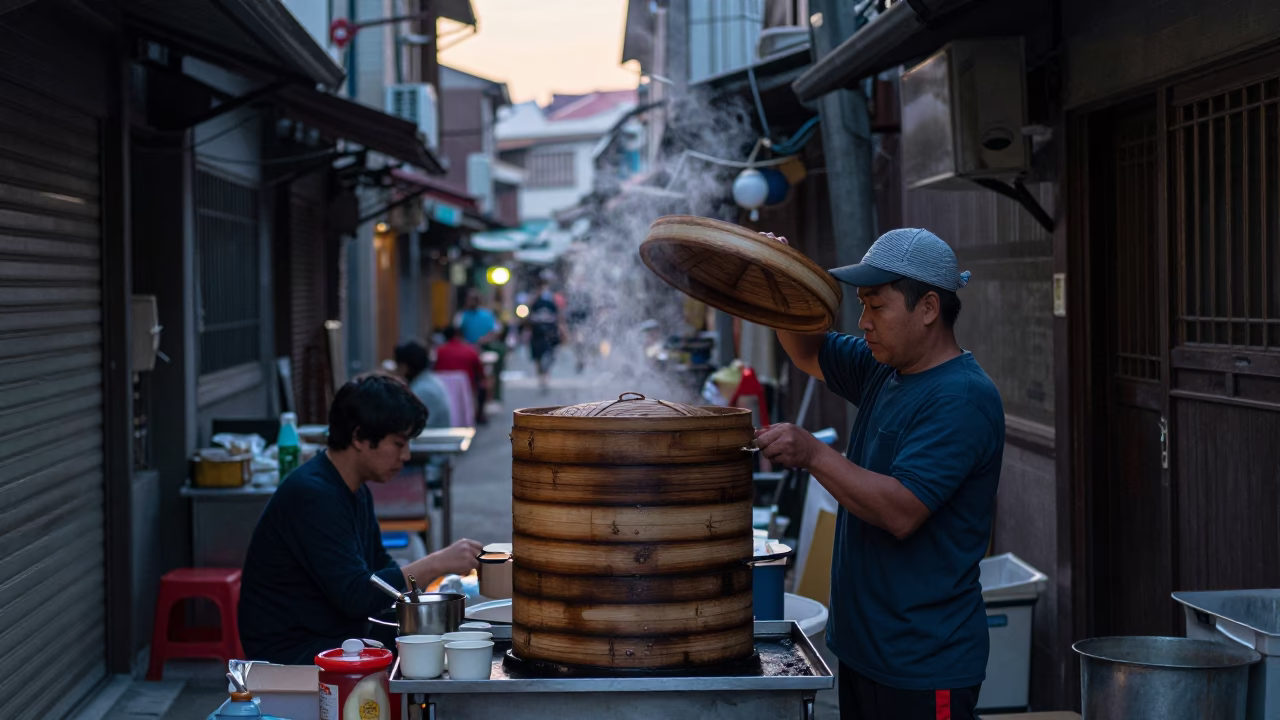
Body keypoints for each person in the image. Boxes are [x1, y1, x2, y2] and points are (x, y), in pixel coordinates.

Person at [754, 228, 1004, 720]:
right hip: (866, 651)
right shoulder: (882, 368)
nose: (864, 322)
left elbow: (901, 511)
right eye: (862, 306)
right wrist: (778, 280)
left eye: (877, 306)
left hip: (924, 662)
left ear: (929, 308)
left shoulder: (962, 397)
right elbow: (806, 351)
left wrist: (812, 454)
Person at [238, 375, 482, 665]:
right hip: (292, 650)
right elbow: (357, 596)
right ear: (358, 437)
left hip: (335, 634)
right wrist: (437, 563)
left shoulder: (354, 489)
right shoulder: (313, 494)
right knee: (423, 664)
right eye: (398, 443)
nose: (406, 455)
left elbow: (381, 572)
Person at [434, 325, 487, 424]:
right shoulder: (470, 350)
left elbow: (435, 369)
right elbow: (480, 372)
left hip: (442, 386)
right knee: (484, 385)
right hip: (467, 386)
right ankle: (480, 415)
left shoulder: (439, 351)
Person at [393, 340, 452, 429]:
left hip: (431, 440)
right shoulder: (427, 381)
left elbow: (413, 429)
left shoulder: (422, 391)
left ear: (404, 366)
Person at [527, 283, 564, 393]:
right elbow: (529, 319)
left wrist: (561, 331)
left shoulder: (552, 304)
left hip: (549, 335)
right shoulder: (534, 303)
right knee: (538, 358)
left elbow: (558, 318)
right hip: (537, 335)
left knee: (549, 357)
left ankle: (545, 378)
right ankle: (542, 378)